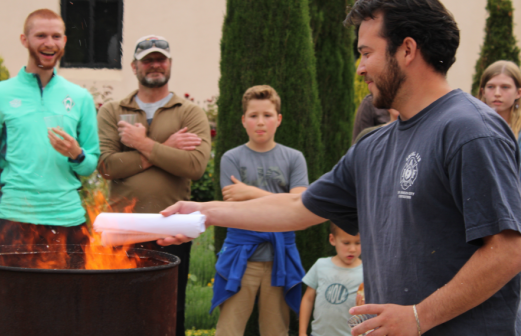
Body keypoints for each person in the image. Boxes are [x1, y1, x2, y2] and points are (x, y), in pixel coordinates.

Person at [160, 1, 521, 335]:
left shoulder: (469, 130)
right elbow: (297, 206)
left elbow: (509, 248)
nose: (360, 66)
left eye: (366, 53)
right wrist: (203, 212)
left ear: (407, 50)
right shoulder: (373, 145)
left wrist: (418, 316)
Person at [96, 35, 211, 336]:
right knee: (119, 309)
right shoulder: (112, 110)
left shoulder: (189, 113)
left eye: (160, 59)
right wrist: (164, 148)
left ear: (169, 64)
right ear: (135, 66)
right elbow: (107, 166)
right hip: (122, 228)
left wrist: (141, 144)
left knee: (169, 310)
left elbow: (194, 166)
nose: (155, 65)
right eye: (147, 60)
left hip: (171, 230)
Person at [0, 9, 99, 248]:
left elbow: (90, 164)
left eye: (56, 36)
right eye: (41, 35)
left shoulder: (80, 98)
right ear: (24, 40)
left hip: (68, 219)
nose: (49, 43)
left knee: (72, 287)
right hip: (14, 219)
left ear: (64, 41)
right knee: (11, 287)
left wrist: (76, 154)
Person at [212, 85, 307, 335]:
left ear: (279, 119)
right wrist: (281, 201)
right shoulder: (231, 158)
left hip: (280, 260)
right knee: (228, 330)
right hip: (241, 259)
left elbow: (299, 206)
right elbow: (235, 210)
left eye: (267, 115)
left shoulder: (294, 158)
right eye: (253, 116)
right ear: (244, 121)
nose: (260, 122)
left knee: (276, 330)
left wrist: (251, 193)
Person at [299, 223, 363, 336]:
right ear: (332, 239)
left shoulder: (367, 272)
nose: (352, 249)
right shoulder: (320, 265)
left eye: (358, 243)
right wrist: (302, 332)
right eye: (346, 243)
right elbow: (308, 299)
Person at [478, 60, 521, 145]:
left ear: (518, 93)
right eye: (491, 87)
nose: (497, 93)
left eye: (505, 87)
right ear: (483, 92)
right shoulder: (473, 125)